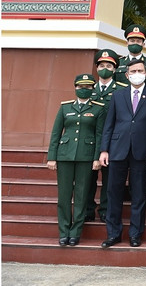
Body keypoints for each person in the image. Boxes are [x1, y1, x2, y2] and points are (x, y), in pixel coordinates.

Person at [99, 58, 146, 248]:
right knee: (114, 192)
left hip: (142, 150)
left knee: (138, 193)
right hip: (117, 149)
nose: (137, 74)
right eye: (133, 71)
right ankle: (113, 233)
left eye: (140, 71)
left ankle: (135, 233)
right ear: (127, 75)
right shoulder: (118, 95)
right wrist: (104, 150)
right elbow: (109, 124)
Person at [47, 74, 106, 246]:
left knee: (81, 196)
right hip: (65, 155)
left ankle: (75, 232)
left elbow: (99, 134)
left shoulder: (98, 108)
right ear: (75, 87)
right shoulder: (65, 107)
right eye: (81, 86)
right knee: (64, 196)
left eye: (88, 87)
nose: (84, 89)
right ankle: (63, 231)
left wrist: (97, 158)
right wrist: (52, 157)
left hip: (86, 157)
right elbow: (56, 133)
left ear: (92, 89)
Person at [86, 49, 125, 223]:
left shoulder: (121, 90)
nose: (105, 69)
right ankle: (87, 209)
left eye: (109, 66)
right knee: (88, 178)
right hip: (91, 138)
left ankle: (105, 210)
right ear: (96, 67)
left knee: (110, 179)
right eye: (101, 65)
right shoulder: (88, 89)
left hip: (113, 140)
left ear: (115, 69)